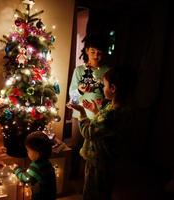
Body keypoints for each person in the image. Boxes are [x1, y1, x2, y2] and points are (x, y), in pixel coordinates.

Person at [67, 66, 137, 200]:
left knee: (94, 192)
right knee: (104, 189)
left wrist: (82, 113)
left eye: (104, 85)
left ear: (113, 88)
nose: (102, 88)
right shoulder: (122, 108)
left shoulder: (111, 114)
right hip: (110, 160)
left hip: (99, 160)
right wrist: (95, 111)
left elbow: (89, 132)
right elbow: (106, 128)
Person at [68, 33, 110, 179]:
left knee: (95, 149)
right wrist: (79, 90)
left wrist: (104, 102)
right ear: (87, 50)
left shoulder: (108, 71)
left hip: (99, 116)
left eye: (99, 53)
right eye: (93, 52)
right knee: (76, 146)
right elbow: (72, 96)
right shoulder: (79, 71)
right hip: (80, 115)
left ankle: (90, 176)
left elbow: (112, 95)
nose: (95, 56)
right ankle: (73, 175)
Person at [13, 131, 57, 200]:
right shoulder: (46, 161)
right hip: (51, 194)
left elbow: (25, 178)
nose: (27, 153)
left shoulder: (36, 166)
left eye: (28, 151)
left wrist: (16, 169)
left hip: (41, 196)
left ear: (37, 153)